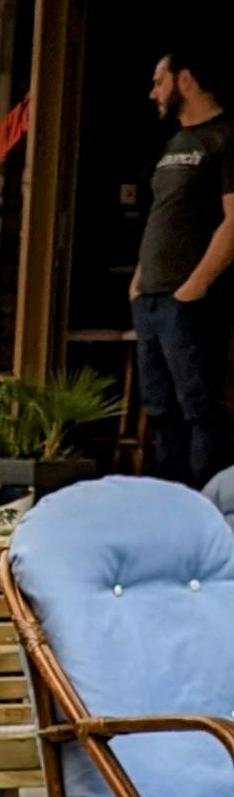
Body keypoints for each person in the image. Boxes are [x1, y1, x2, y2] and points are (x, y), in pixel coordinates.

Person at [132, 44, 234, 486]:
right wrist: (138, 280)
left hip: (189, 301)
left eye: (160, 81)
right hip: (151, 297)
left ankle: (205, 509)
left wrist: (196, 285)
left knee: (198, 406)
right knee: (159, 408)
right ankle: (166, 506)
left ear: (185, 80)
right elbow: (162, 215)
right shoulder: (174, 144)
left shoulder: (226, 137)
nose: (153, 92)